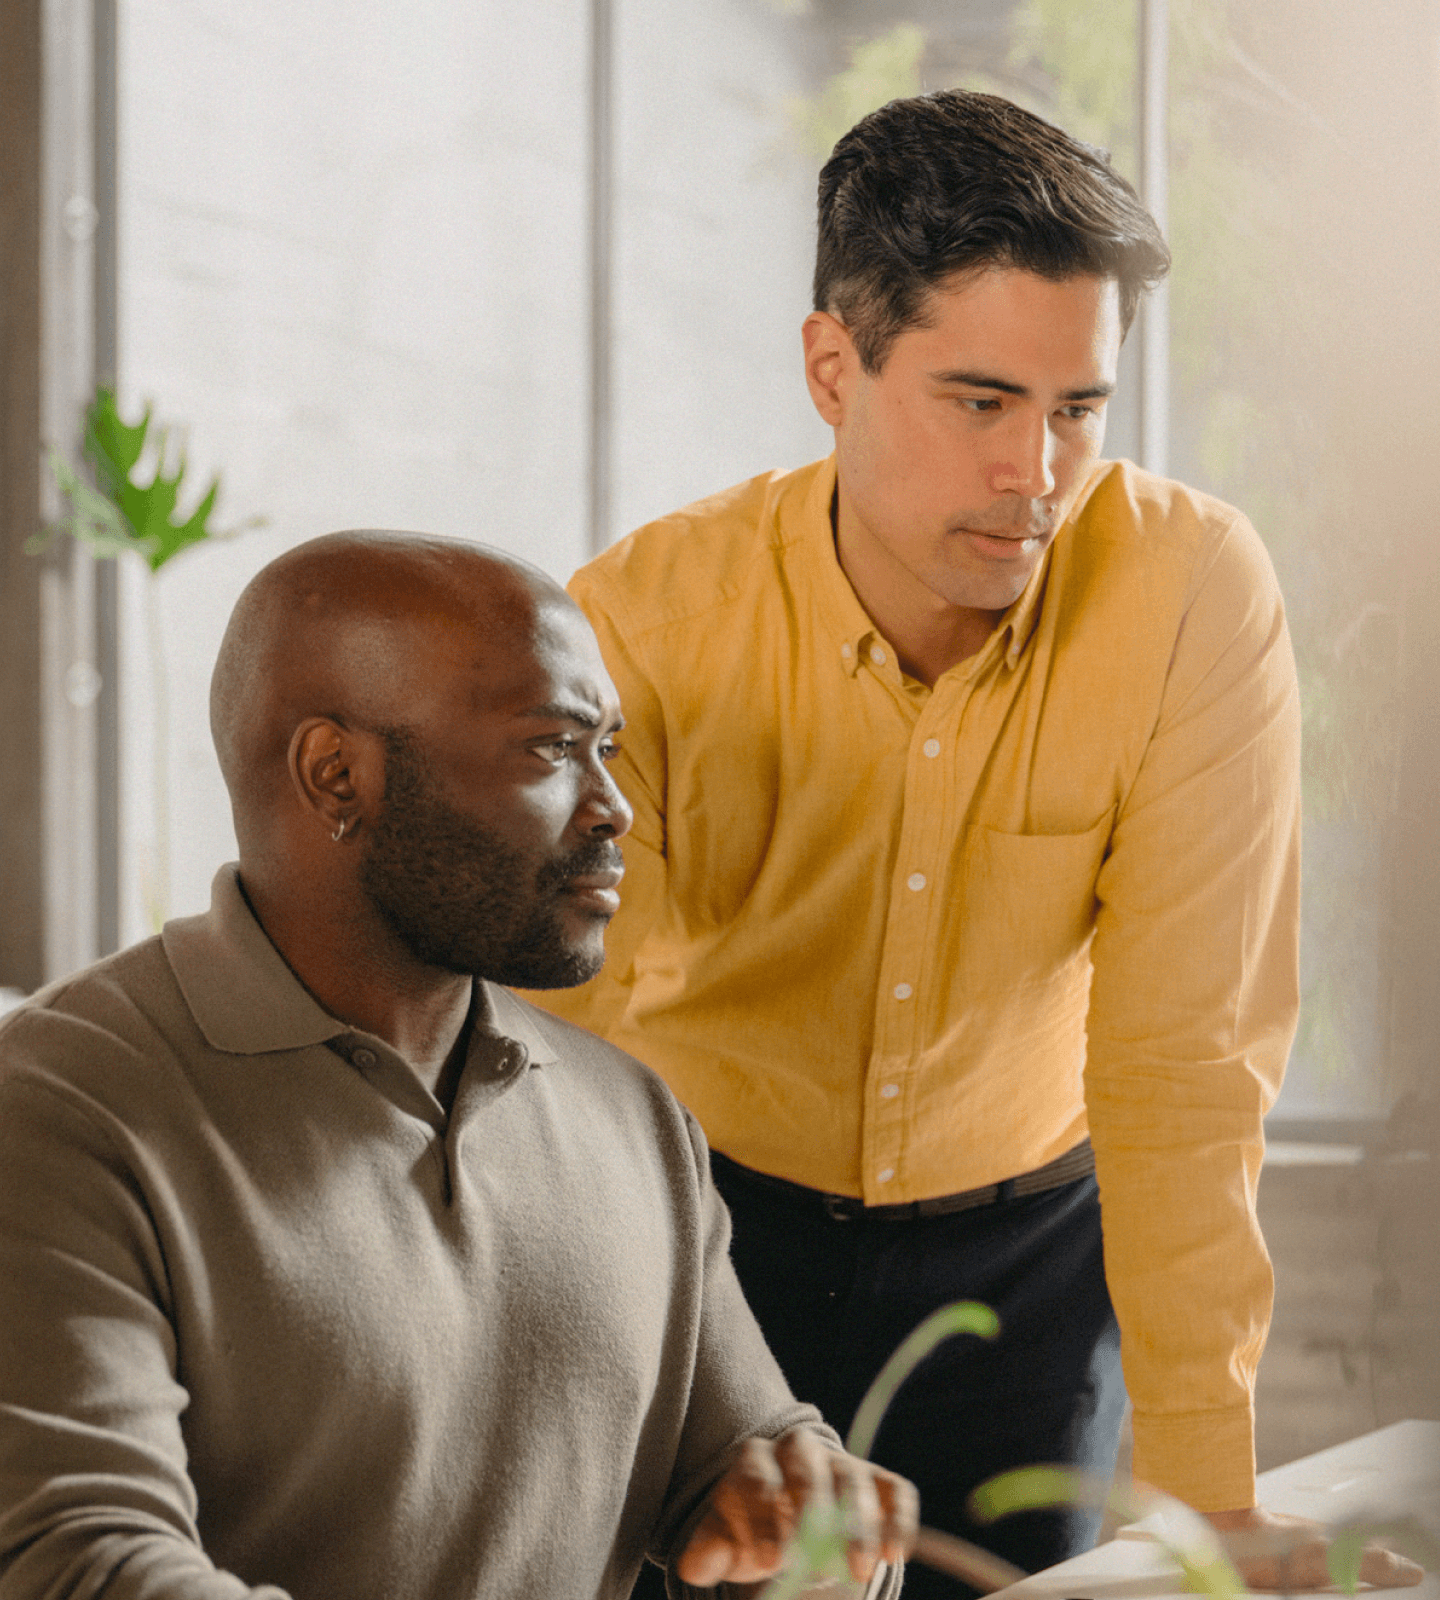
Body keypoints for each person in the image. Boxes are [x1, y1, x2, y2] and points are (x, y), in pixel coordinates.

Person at [530, 90, 1421, 1594]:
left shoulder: (1192, 592)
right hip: (713, 1246)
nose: (1039, 474)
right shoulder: (641, 628)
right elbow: (558, 1078)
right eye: (982, 401)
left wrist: (1203, 1506)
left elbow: (1185, 1065)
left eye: (1080, 409)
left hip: (1031, 1269)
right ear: (833, 367)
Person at [0, 531, 916, 1600]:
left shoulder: (636, 1120)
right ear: (336, 773)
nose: (614, 807)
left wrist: (817, 1545)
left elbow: (753, 1470)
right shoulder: (61, 1109)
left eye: (606, 749)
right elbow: (83, 1566)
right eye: (550, 749)